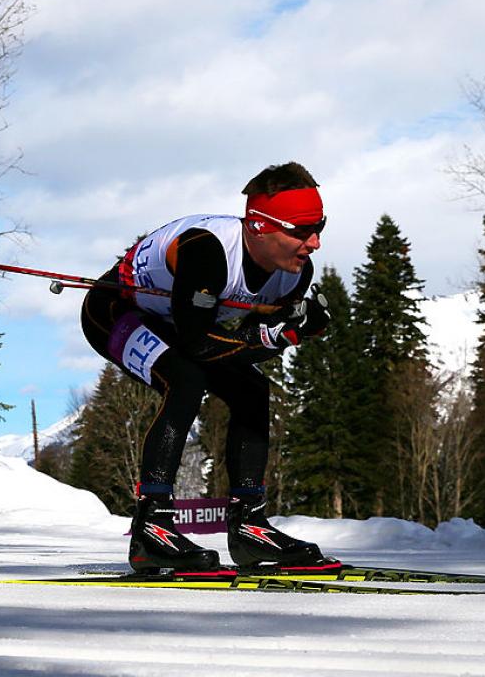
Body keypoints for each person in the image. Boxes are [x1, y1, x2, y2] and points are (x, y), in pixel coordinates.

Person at [80, 162, 331, 573]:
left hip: (179, 322)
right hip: (114, 310)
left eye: (320, 225)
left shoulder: (295, 273)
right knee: (185, 379)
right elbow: (200, 345)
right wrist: (272, 336)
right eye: (302, 230)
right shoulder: (207, 250)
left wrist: (290, 332)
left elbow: (242, 349)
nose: (315, 242)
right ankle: (151, 528)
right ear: (259, 226)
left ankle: (250, 525)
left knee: (252, 390)